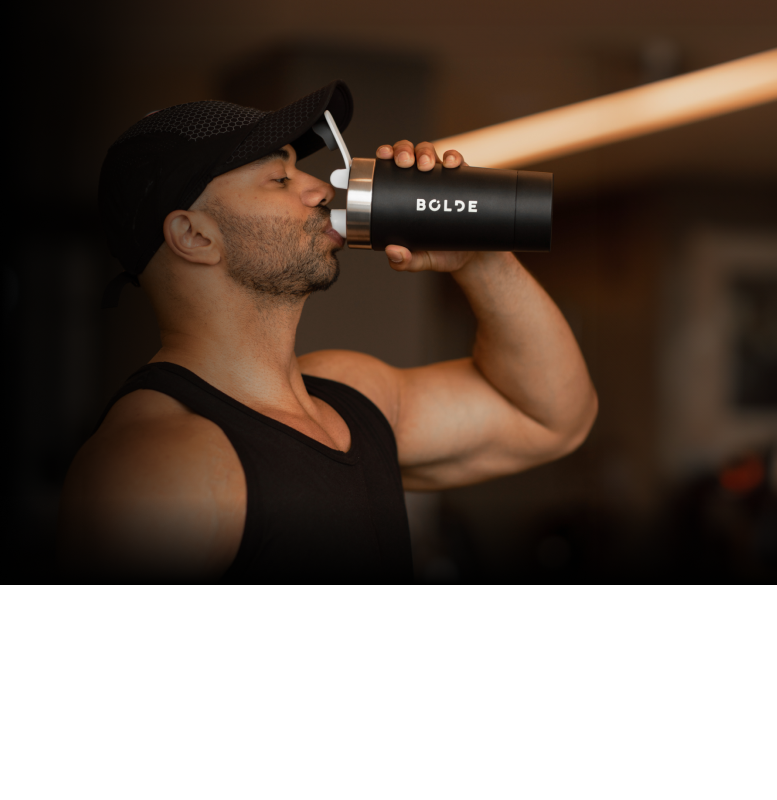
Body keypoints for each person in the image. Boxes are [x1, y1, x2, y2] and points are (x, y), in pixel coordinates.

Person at [59, 80, 598, 581]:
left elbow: (552, 418)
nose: (321, 189)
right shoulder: (157, 467)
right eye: (280, 178)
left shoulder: (350, 396)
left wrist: (482, 261)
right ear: (194, 237)